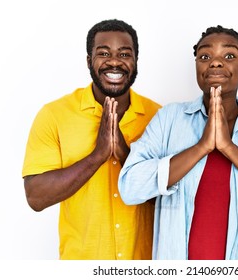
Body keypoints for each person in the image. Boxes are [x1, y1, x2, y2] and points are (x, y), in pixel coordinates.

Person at [118, 25, 238, 260]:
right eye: (205, 56)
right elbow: (130, 187)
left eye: (229, 55)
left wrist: (228, 148)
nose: (215, 62)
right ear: (197, 68)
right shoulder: (169, 118)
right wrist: (202, 147)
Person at [22, 19, 161, 260]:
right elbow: (36, 197)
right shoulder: (54, 115)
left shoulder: (159, 117)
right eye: (104, 53)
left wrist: (125, 156)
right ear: (89, 61)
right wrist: (97, 156)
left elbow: (175, 198)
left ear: (136, 60)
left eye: (125, 53)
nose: (115, 61)